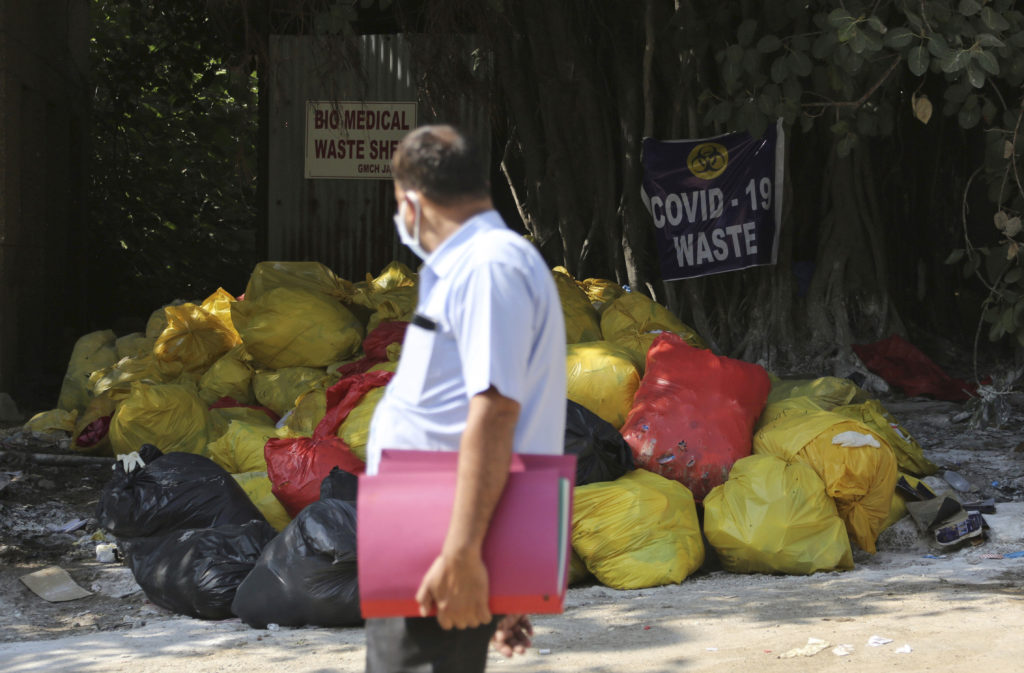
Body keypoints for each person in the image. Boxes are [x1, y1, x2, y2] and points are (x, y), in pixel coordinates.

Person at [364, 124, 567, 673]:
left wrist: (464, 555)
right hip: (433, 528)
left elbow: (498, 410)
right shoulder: (472, 265)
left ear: (412, 201)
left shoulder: (488, 267)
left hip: (440, 536)